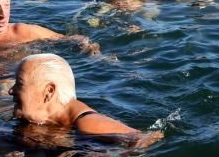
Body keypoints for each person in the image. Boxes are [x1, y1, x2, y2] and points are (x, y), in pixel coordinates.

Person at [10, 53, 162, 148]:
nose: (11, 90)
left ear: (49, 91)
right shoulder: (32, 119)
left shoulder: (88, 123)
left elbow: (149, 138)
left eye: (20, 84)